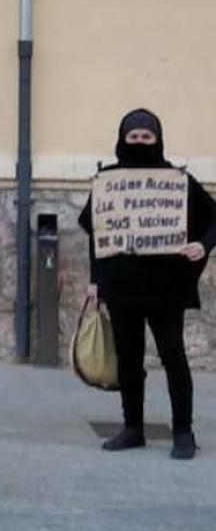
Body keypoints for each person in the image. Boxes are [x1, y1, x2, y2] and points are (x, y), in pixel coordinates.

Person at [78, 109, 216, 460]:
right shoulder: (108, 182)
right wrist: (95, 281)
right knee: (128, 358)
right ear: (123, 139)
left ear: (158, 140)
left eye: (147, 137)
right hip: (121, 286)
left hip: (166, 286)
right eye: (134, 136)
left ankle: (183, 431)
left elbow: (214, 218)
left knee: (173, 356)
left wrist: (204, 244)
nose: (140, 142)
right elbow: (98, 234)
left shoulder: (177, 180)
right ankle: (132, 428)